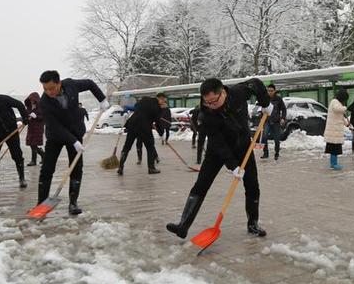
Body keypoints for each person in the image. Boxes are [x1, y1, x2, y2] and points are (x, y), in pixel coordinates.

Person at [166, 78, 272, 239]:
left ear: (222, 92)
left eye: (213, 101)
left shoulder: (237, 92)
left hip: (243, 146)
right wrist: (233, 166)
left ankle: (253, 224)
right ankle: (183, 225)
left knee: (252, 185)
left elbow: (256, 83)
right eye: (207, 102)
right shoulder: (206, 114)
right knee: (201, 183)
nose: (211, 105)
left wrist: (266, 103)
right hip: (218, 150)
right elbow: (217, 142)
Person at [37, 70, 109, 215]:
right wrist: (73, 141)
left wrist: (101, 99)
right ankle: (41, 204)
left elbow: (89, 83)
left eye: (51, 88)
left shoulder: (70, 85)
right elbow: (54, 125)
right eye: (45, 89)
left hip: (75, 130)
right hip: (55, 136)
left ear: (59, 83)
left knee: (76, 167)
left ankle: (73, 203)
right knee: (47, 169)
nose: (48, 91)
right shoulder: (44, 102)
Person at [117, 93, 165, 175]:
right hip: (144, 127)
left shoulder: (144, 99)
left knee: (127, 146)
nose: (163, 103)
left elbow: (136, 106)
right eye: (164, 101)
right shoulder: (157, 107)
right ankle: (151, 168)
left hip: (132, 124)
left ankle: (120, 167)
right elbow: (158, 122)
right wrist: (161, 132)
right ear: (160, 98)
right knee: (150, 146)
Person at [323, 89, 351, 170]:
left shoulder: (338, 103)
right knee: (334, 148)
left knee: (335, 148)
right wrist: (345, 108)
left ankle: (334, 163)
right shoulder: (334, 101)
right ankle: (334, 164)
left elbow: (340, 117)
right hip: (334, 130)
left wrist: (347, 124)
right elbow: (337, 109)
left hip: (336, 130)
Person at [260, 84, 287, 160]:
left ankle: (277, 153)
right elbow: (261, 108)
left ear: (274, 91)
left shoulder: (278, 99)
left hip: (276, 121)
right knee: (264, 137)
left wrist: (283, 118)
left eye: (271, 91)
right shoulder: (265, 99)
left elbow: (284, 109)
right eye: (268, 91)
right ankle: (265, 153)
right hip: (267, 121)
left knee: (276, 139)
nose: (270, 92)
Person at [24, 92, 45, 166]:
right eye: (30, 99)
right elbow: (26, 116)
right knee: (31, 144)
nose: (31, 101)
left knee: (34, 144)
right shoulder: (29, 107)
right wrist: (25, 119)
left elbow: (44, 118)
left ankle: (33, 161)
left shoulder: (41, 107)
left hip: (38, 128)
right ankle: (43, 155)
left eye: (33, 100)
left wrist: (36, 117)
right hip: (31, 128)